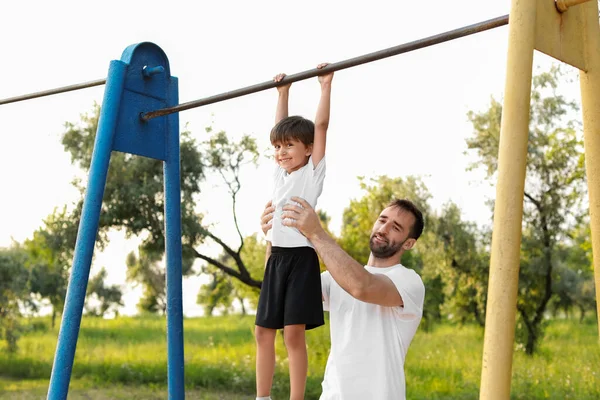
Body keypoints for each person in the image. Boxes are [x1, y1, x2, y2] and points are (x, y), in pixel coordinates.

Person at [260, 196, 426, 399]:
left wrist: (315, 232)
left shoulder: (408, 281)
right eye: (382, 220)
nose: (383, 229)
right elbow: (282, 291)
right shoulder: (337, 277)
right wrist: (275, 240)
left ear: (408, 243)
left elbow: (362, 287)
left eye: (396, 227)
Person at [254, 63, 334, 400]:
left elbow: (321, 125)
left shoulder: (312, 172)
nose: (281, 153)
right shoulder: (279, 175)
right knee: (262, 332)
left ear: (307, 148)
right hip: (276, 259)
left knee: (292, 335)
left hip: (301, 261)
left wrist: (325, 86)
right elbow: (278, 128)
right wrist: (282, 93)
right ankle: (262, 397)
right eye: (278, 148)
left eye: (289, 146)